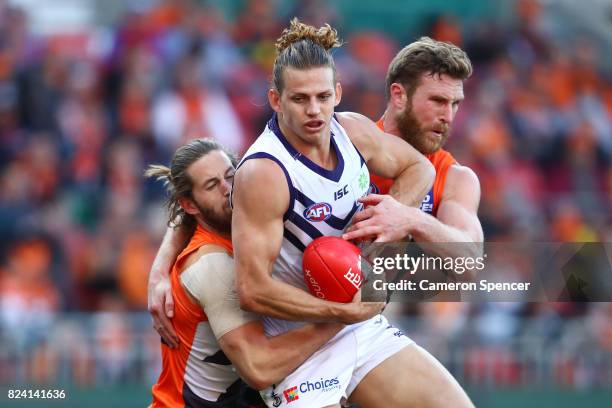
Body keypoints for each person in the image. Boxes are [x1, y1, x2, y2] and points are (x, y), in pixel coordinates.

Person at [230, 20, 472, 407]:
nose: (314, 110)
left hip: (360, 327)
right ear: (275, 99)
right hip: (298, 345)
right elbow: (252, 288)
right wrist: (341, 309)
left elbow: (420, 169)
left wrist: (393, 214)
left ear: (338, 93)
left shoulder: (352, 131)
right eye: (300, 99)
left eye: (324, 96)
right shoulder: (264, 172)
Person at [146, 139, 344, 408]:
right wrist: (342, 317)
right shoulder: (212, 263)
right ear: (190, 205)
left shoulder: (253, 223)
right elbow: (259, 369)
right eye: (212, 185)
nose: (228, 190)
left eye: (230, 176)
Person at [343, 37, 484, 256]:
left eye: (455, 104)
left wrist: (413, 219)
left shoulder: (455, 177)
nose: (448, 116)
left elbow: (470, 260)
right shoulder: (349, 146)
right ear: (399, 95)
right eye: (438, 101)